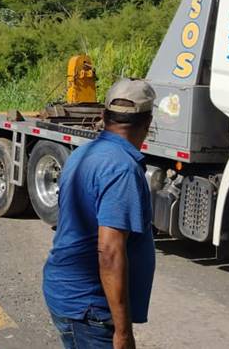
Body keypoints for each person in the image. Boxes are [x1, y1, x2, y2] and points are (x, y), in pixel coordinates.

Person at [42, 78, 157, 349]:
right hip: (89, 307)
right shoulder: (121, 169)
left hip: (68, 294)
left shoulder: (84, 153)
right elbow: (110, 252)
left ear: (104, 116)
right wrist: (123, 332)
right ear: (148, 122)